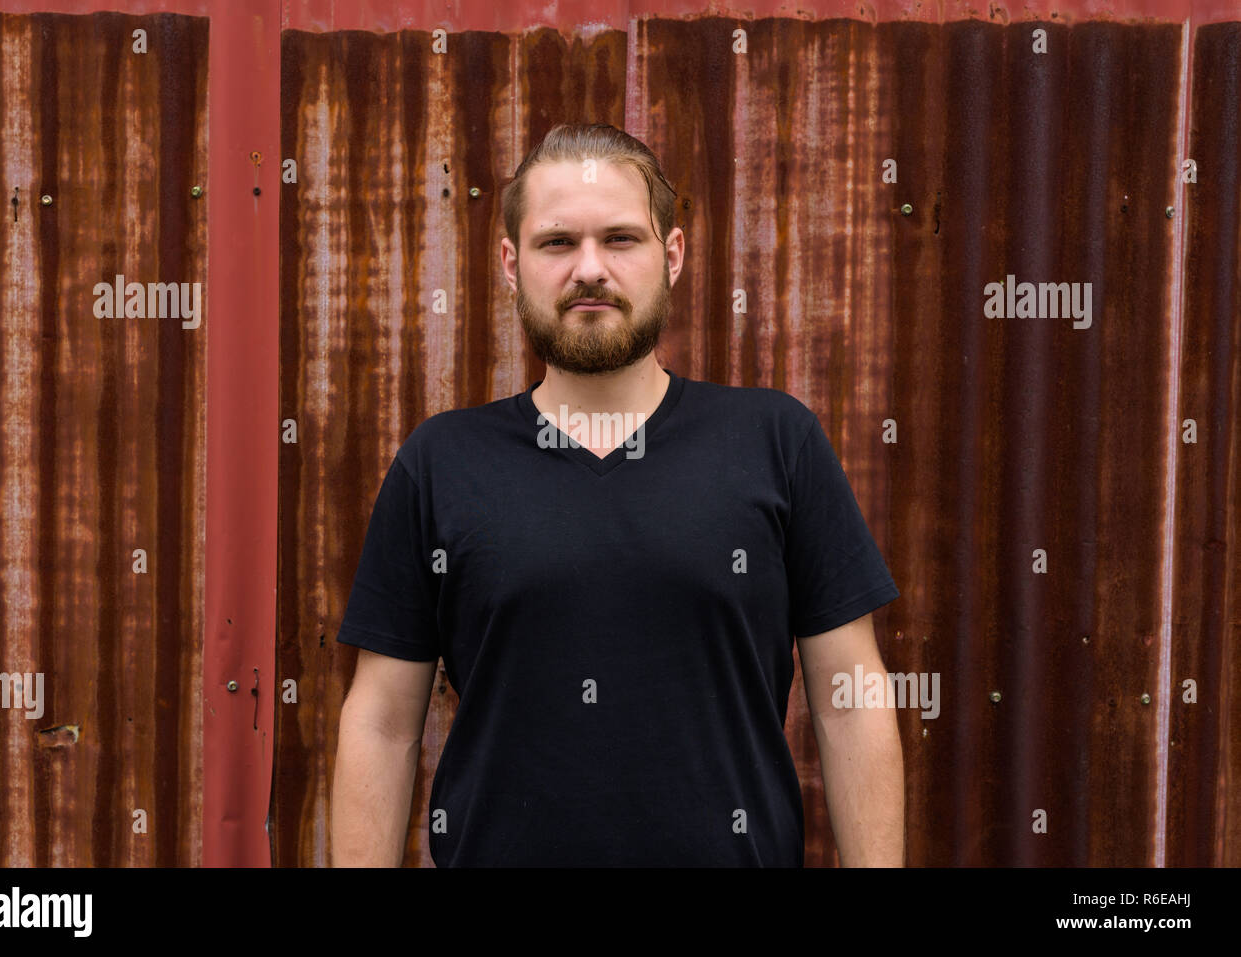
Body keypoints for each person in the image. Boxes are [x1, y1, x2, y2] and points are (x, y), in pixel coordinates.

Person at [331, 122, 904, 867]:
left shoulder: (775, 441)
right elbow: (380, 720)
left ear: (672, 256)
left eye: (622, 240)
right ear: (511, 264)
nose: (590, 269)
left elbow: (850, 700)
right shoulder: (441, 462)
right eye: (557, 242)